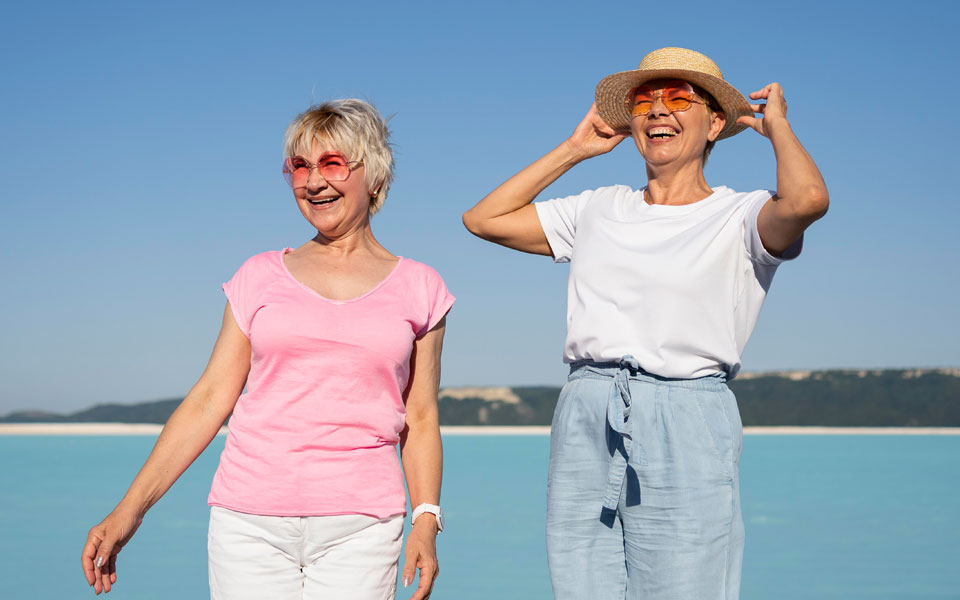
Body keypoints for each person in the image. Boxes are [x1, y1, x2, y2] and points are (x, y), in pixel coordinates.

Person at [463, 47, 828, 599]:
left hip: (686, 411)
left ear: (715, 124)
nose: (658, 110)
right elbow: (483, 219)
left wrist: (776, 126)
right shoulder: (598, 207)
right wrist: (574, 150)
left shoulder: (741, 214)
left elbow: (807, 200)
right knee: (582, 584)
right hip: (587, 409)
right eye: (644, 100)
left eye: (680, 97)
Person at [81, 99, 453, 600]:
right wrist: (131, 508)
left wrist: (425, 520)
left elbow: (421, 417)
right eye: (299, 167)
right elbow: (211, 399)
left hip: (362, 525)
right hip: (247, 522)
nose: (313, 181)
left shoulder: (421, 287)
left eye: (333, 163)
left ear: (375, 175)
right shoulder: (258, 276)